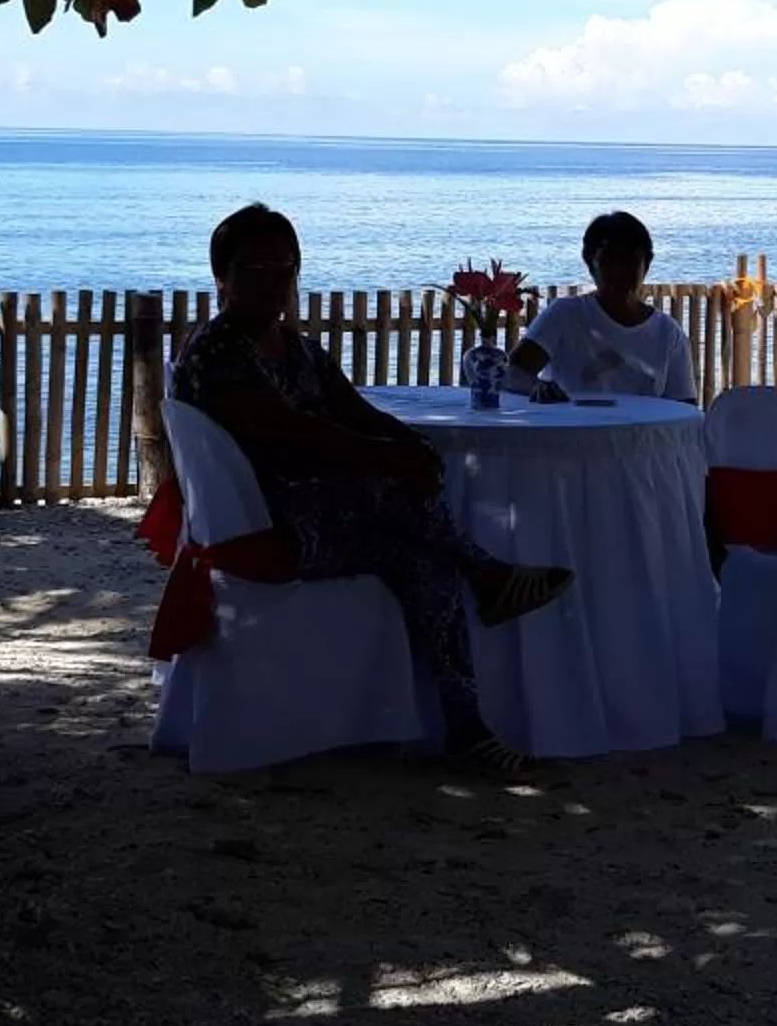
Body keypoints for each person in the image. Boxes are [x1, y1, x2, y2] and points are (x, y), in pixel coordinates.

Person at [170, 204, 570, 770]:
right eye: (252, 267)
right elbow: (289, 433)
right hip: (266, 525)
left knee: (425, 563)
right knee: (393, 489)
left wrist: (408, 444)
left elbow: (354, 411)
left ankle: (468, 729)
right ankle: (488, 572)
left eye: (283, 265)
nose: (271, 279)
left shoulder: (298, 348)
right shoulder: (217, 352)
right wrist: (388, 457)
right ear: (221, 277)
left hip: (323, 519)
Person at [509, 210, 698, 403]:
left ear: (646, 266)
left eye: (630, 262)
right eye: (609, 262)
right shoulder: (564, 315)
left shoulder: (668, 333)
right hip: (570, 423)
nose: (619, 272)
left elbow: (685, 407)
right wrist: (539, 388)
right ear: (591, 265)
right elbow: (511, 373)